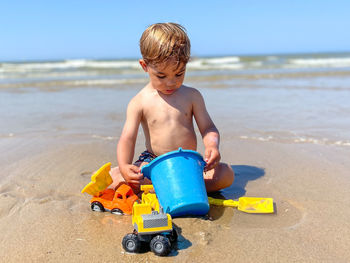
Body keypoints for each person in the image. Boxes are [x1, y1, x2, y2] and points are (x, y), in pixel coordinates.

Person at [110, 22, 234, 193]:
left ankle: (168, 187)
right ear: (145, 66)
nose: (171, 82)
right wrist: (125, 166)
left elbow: (208, 128)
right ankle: (179, 187)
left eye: (179, 73)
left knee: (227, 174)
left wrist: (212, 146)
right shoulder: (139, 102)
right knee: (123, 177)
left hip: (188, 162)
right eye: (161, 76)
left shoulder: (192, 96)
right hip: (154, 163)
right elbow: (127, 138)